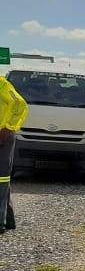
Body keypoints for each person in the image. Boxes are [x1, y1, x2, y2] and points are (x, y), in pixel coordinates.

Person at [0, 76, 29, 233]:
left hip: (2, 136)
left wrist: (8, 128)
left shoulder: (1, 84)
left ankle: (0, 222)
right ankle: (7, 218)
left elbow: (19, 104)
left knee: (1, 178)